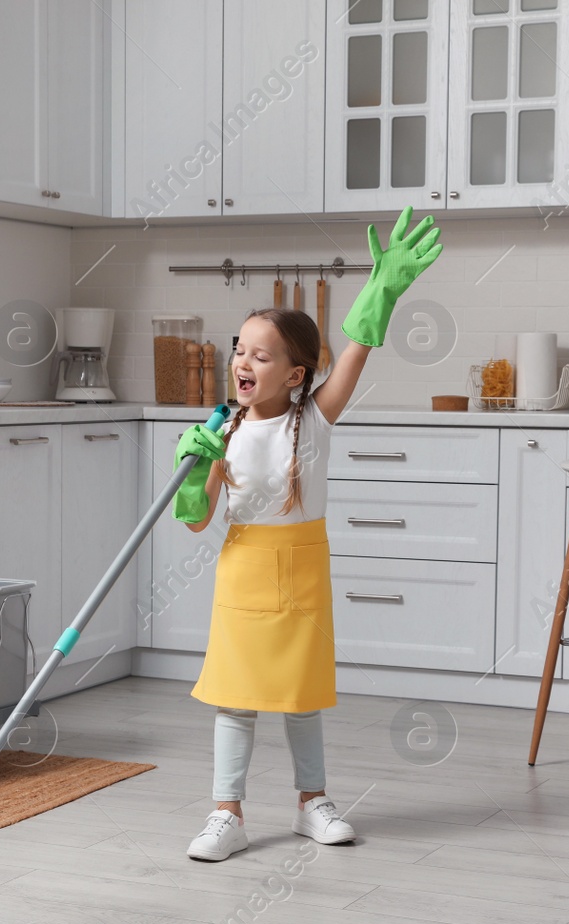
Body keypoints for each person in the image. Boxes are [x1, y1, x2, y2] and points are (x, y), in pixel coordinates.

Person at [170, 207, 443, 861]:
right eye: (238, 348)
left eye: (261, 354)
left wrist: (382, 290)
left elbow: (354, 355)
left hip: (301, 572)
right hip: (243, 572)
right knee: (235, 699)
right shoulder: (223, 431)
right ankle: (225, 813)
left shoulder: (313, 420)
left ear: (295, 374)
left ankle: (311, 802)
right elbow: (196, 517)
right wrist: (196, 464)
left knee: (301, 697)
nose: (243, 359)